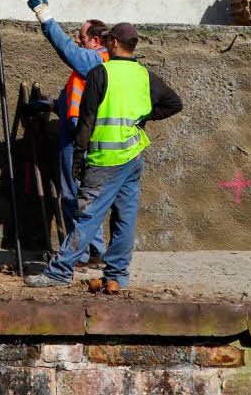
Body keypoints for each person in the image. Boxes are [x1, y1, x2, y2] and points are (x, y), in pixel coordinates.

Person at [25, 23, 182, 292]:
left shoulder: (100, 73)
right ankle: (116, 276)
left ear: (114, 43)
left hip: (104, 159)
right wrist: (143, 118)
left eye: (109, 39)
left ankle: (60, 272)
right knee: (125, 216)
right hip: (132, 156)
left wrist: (77, 156)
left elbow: (87, 120)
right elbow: (173, 103)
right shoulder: (144, 75)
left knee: (87, 215)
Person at [23, 0, 107, 266]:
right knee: (88, 195)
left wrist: (44, 16)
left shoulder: (95, 61)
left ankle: (79, 254)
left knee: (73, 195)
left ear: (95, 41)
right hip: (78, 134)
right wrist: (48, 106)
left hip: (77, 139)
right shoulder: (90, 67)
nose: (76, 40)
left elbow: (65, 50)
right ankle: (95, 251)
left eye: (81, 37)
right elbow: (73, 101)